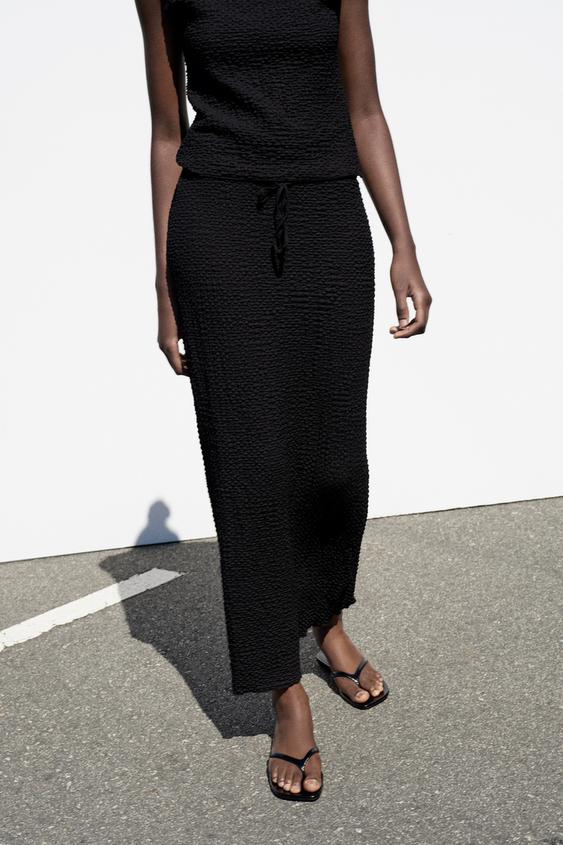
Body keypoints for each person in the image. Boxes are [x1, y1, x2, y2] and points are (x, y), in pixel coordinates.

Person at [134, 0, 432, 802]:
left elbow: (364, 110)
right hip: (218, 228)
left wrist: (403, 243)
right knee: (252, 466)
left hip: (328, 217)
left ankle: (326, 620)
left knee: (334, 460)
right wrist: (164, 287)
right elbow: (166, 134)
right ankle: (284, 688)